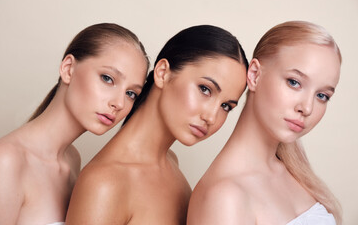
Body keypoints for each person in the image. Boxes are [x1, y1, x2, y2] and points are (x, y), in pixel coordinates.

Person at [65, 25, 248, 225]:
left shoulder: (171, 163)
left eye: (226, 106)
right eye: (205, 89)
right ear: (162, 73)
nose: (211, 117)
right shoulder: (104, 183)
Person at [187, 21, 342, 225]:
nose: (307, 108)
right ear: (254, 75)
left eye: (322, 95)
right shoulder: (225, 198)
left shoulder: (296, 173)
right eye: (294, 82)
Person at [0, 23, 149, 225]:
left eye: (131, 93)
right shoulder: (7, 162)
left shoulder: (72, 159)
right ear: (68, 69)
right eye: (107, 78)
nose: (119, 103)